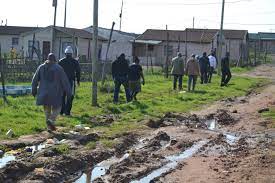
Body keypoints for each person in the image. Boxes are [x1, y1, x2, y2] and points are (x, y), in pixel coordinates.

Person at [32, 53, 72, 131]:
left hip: (43, 93)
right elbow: (65, 82)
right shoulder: (58, 68)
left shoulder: (41, 67)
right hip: (55, 93)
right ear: (55, 60)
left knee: (47, 110)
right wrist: (69, 93)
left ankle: (49, 127)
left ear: (47, 59)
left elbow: (35, 79)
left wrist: (34, 90)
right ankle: (51, 120)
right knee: (58, 108)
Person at [58, 46, 81, 116]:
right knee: (70, 96)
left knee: (62, 96)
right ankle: (67, 111)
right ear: (71, 54)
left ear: (65, 53)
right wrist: (78, 80)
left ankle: (61, 111)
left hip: (62, 82)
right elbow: (78, 72)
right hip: (71, 81)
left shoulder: (61, 61)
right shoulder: (75, 62)